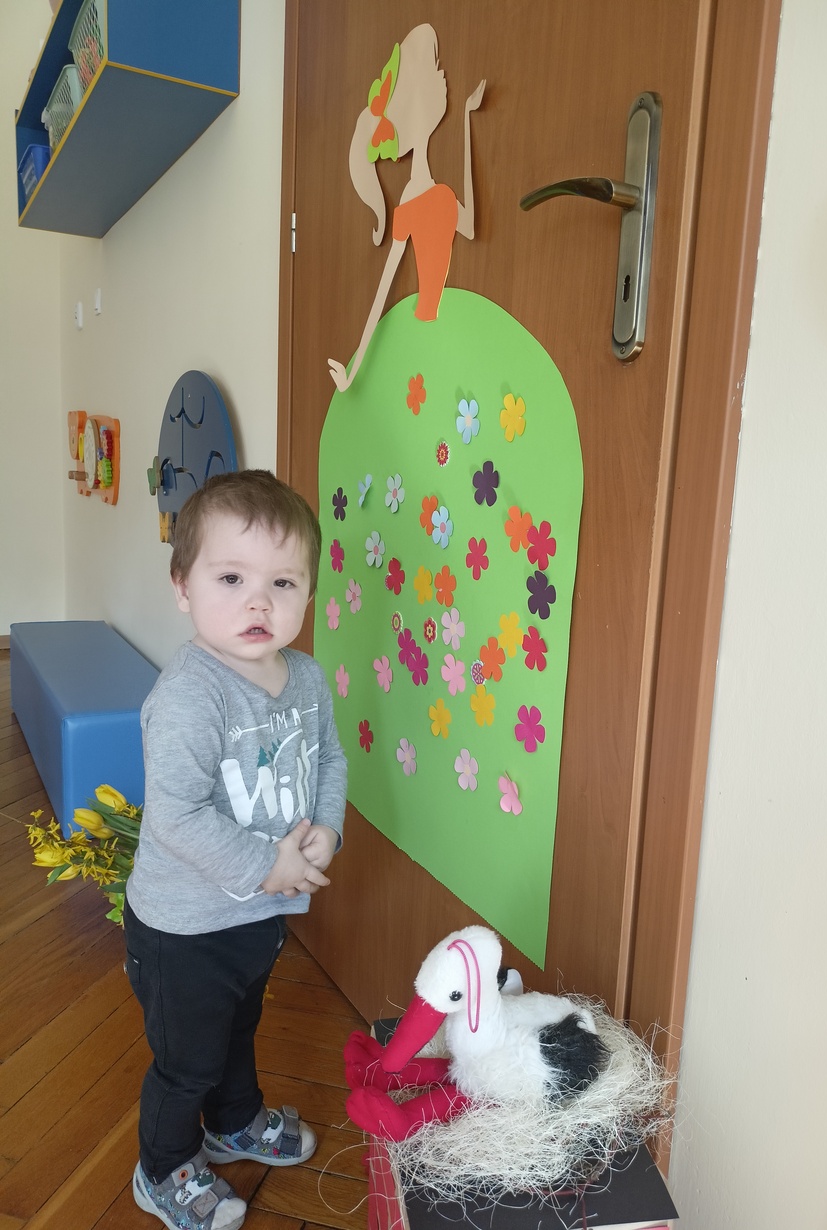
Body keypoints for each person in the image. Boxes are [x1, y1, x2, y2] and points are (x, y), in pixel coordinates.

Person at [124, 469, 347, 1230]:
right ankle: (162, 1169)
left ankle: (234, 1122)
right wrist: (268, 865)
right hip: (183, 928)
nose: (259, 602)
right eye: (231, 578)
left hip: (256, 913)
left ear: (308, 592)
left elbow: (330, 760)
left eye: (282, 582)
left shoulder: (306, 679)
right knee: (186, 1062)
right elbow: (175, 817)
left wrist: (326, 829)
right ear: (182, 586)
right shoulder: (191, 695)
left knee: (238, 1028)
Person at [327, 23, 486, 391]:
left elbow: (470, 227)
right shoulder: (411, 206)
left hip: (449, 326)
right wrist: (351, 375)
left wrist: (466, 115)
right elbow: (381, 293)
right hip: (428, 329)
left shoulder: (441, 194)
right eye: (433, 71)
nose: (442, 76)